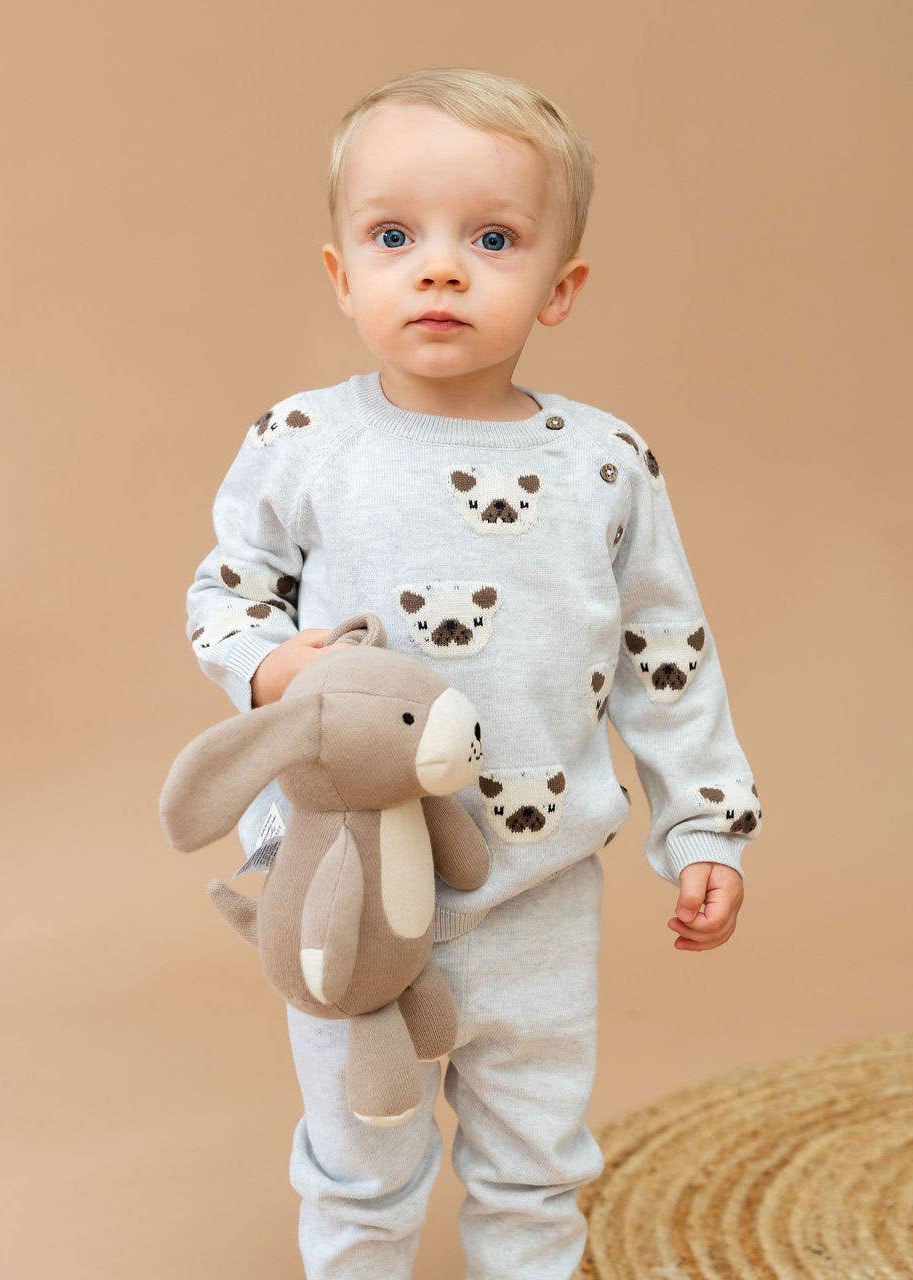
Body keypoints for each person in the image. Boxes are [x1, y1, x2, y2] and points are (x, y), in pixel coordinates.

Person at [182, 65, 764, 1280]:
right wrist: (268, 668)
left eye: (491, 238)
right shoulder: (306, 440)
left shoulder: (605, 463)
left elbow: (667, 653)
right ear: (344, 274)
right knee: (359, 1153)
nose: (439, 268)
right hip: (346, 884)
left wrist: (704, 822)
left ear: (560, 286)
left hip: (539, 893)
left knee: (536, 1160)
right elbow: (224, 593)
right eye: (396, 235)